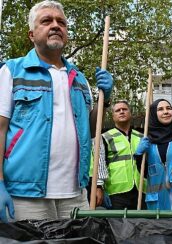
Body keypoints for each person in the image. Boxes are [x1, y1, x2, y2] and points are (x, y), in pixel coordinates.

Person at [0, 0, 113, 222]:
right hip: (25, 196)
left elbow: (90, 129)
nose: (55, 25)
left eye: (61, 22)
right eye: (46, 21)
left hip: (75, 194)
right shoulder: (12, 71)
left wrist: (105, 100)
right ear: (32, 34)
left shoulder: (79, 79)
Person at [102, 100, 147, 209]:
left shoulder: (142, 137)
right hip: (117, 193)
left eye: (124, 109)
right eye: (118, 110)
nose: (121, 112)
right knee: (120, 225)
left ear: (130, 113)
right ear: (113, 116)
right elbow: (100, 165)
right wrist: (100, 188)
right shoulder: (106, 137)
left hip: (140, 190)